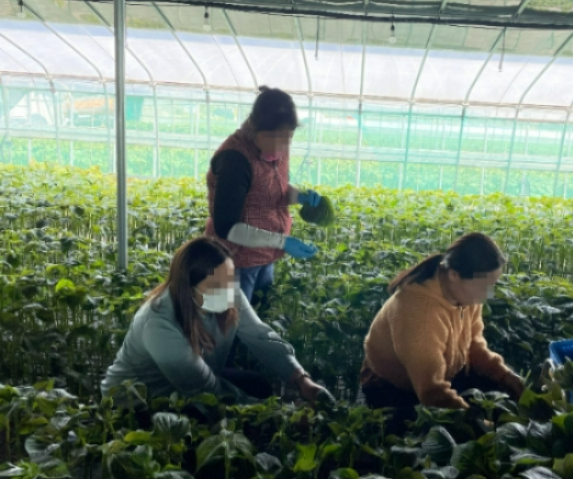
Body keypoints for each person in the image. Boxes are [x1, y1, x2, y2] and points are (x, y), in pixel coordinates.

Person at [101, 237, 331, 406]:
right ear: (187, 286)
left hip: (190, 385)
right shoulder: (158, 323)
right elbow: (205, 392)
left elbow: (261, 337)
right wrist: (282, 414)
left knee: (258, 385)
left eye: (230, 280)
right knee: (203, 417)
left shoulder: (229, 293)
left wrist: (302, 380)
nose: (227, 291)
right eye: (215, 286)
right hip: (141, 401)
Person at [360, 232, 525, 434]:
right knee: (426, 434)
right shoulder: (418, 311)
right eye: (484, 286)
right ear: (454, 275)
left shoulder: (466, 295)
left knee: (505, 392)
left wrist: (505, 375)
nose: (487, 294)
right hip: (393, 386)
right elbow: (432, 391)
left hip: (445, 369)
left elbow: (474, 346)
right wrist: (478, 426)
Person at [204, 86, 326, 306]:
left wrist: (300, 197)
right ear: (257, 130)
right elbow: (227, 227)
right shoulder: (234, 160)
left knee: (261, 313)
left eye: (289, 138)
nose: (284, 146)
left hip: (265, 255)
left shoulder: (274, 149)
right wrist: (282, 241)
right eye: (278, 138)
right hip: (236, 260)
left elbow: (271, 191)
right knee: (233, 323)